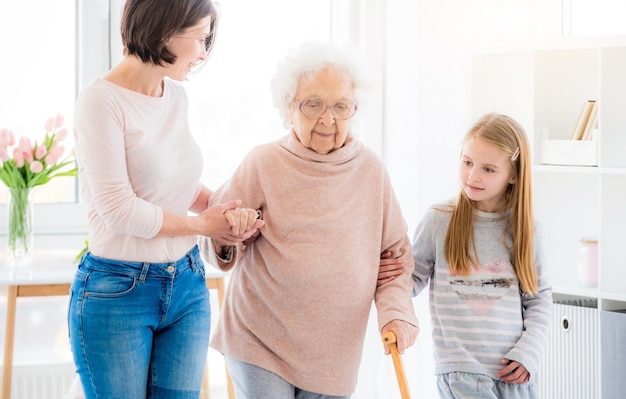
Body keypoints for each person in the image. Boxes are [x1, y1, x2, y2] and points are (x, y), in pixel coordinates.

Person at [199, 40, 420, 399]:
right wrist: (230, 234)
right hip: (261, 340)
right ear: (290, 106)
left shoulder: (370, 172)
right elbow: (211, 237)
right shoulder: (263, 162)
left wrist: (396, 313)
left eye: (340, 106)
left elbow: (395, 260)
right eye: (313, 104)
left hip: (334, 353)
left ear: (355, 109)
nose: (327, 118)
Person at [68, 1, 262, 398]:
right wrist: (202, 225)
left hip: (187, 284)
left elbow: (177, 186)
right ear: (165, 28)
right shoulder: (100, 102)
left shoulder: (174, 96)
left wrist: (223, 212)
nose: (204, 54)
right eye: (200, 39)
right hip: (118, 290)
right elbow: (119, 210)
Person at [407, 113, 552, 398]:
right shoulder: (439, 220)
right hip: (462, 373)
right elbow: (411, 280)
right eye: (467, 162)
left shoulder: (525, 229)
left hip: (514, 374)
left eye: (488, 169)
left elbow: (538, 297)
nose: (473, 175)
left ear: (513, 175)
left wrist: (528, 353)